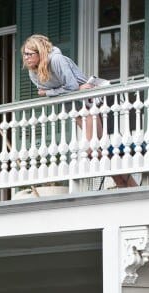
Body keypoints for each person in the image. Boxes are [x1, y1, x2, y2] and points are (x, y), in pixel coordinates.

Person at [21, 34, 136, 188]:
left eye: (29, 54)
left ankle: (130, 186)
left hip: (87, 101)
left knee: (93, 149)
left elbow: (70, 87)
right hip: (72, 106)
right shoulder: (32, 72)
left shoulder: (56, 60)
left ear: (40, 52)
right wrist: (57, 91)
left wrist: (51, 92)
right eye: (24, 54)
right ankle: (125, 186)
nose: (26, 58)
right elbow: (43, 90)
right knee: (99, 149)